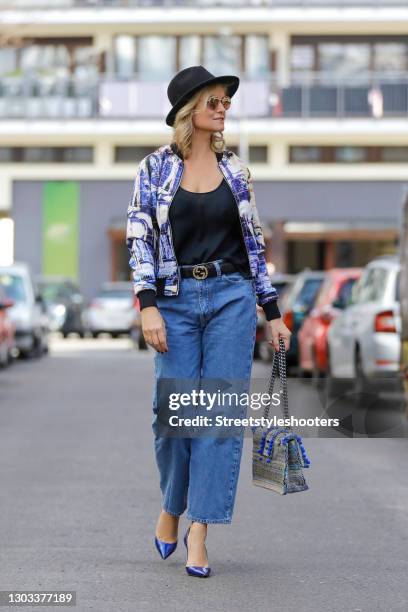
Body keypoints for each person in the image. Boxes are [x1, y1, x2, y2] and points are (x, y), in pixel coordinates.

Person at [126, 66, 291, 578]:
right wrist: (147, 304)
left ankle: (200, 527)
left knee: (218, 418)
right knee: (172, 417)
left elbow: (254, 247)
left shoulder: (238, 171)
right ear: (188, 111)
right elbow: (139, 240)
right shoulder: (154, 169)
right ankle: (172, 506)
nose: (223, 109)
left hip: (230, 297)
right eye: (213, 102)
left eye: (225, 102)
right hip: (172, 301)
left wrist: (273, 313)